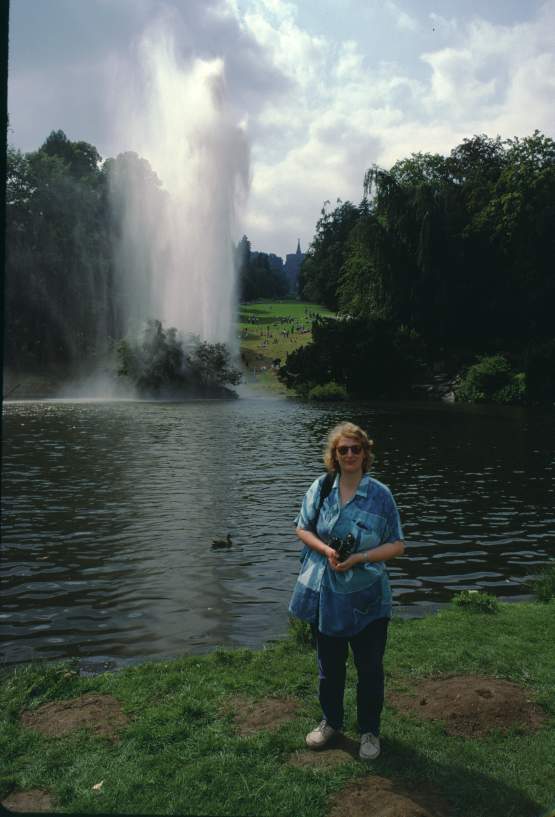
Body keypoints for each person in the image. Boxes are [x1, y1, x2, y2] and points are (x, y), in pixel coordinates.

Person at [288, 421, 405, 760]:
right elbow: (302, 528)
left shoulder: (380, 495)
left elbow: (397, 545)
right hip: (326, 597)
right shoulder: (322, 487)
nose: (350, 454)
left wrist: (359, 557)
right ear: (334, 456)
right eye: (344, 450)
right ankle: (331, 722)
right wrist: (326, 551)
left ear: (365, 453)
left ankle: (369, 731)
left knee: (369, 667)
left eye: (356, 449)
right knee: (329, 666)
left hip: (368, 597)